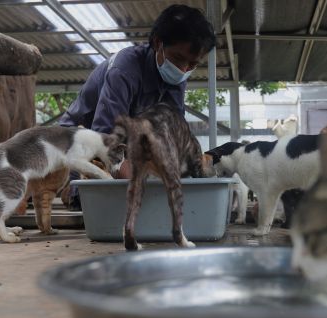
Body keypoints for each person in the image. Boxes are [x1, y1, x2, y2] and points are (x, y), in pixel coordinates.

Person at [58, 4, 216, 210]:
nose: (183, 69)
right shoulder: (124, 71)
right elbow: (104, 138)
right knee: (89, 202)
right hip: (76, 144)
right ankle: (70, 192)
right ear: (158, 43)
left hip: (123, 146)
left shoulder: (176, 77)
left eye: (192, 65)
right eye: (178, 59)